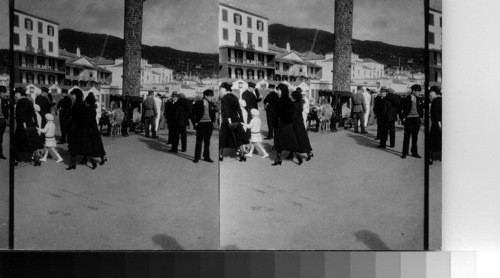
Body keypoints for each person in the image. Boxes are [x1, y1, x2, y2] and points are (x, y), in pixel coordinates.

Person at [218, 82, 249, 162]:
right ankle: (243, 155)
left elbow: (226, 110)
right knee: (239, 138)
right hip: (236, 120)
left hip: (227, 121)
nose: (220, 90)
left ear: (225, 89)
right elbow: (239, 109)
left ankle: (220, 155)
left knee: (223, 138)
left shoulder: (225, 98)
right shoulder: (235, 97)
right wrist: (241, 119)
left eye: (221, 89)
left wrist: (228, 120)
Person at [66, 89, 95, 170]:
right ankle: (77, 163)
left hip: (77, 128)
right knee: (79, 147)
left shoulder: (79, 104)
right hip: (79, 128)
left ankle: (76, 163)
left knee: (75, 146)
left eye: (73, 95)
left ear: (77, 95)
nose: (72, 96)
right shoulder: (79, 103)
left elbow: (82, 117)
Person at [272, 83, 300, 166]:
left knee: (281, 142)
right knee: (286, 142)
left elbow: (280, 113)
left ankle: (297, 158)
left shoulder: (281, 101)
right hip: (287, 124)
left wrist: (279, 118)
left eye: (278, 90)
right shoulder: (288, 100)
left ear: (282, 91)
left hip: (282, 124)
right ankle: (279, 159)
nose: (277, 91)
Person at [191, 89, 217, 163]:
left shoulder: (211, 104)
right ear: (205, 96)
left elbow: (214, 113)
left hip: (209, 124)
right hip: (201, 124)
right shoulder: (198, 103)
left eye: (212, 96)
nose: (211, 97)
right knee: (199, 141)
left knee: (207, 141)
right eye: (210, 96)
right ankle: (197, 157)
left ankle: (206, 157)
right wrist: (195, 123)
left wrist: (213, 122)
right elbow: (192, 114)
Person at [399, 84, 424, 159]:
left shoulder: (419, 99)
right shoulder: (406, 98)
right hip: (408, 119)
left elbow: (421, 109)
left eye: (419, 91)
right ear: (413, 91)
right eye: (418, 91)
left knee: (415, 137)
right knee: (407, 137)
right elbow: (399, 109)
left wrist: (421, 117)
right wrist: (402, 118)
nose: (419, 93)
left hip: (417, 119)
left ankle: (414, 152)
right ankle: (404, 153)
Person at [291, 90, 313, 163]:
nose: (291, 97)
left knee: (296, 138)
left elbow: (293, 115)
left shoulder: (294, 104)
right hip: (300, 123)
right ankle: (308, 152)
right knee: (303, 138)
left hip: (295, 123)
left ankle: (296, 154)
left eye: (292, 96)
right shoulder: (300, 103)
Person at [85, 93, 107, 166]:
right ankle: (102, 157)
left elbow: (87, 119)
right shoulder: (93, 108)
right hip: (94, 128)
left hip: (90, 128)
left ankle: (89, 157)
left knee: (91, 143)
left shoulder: (89, 109)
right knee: (97, 143)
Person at [429, 86, 442, 164]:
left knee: (432, 141)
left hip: (436, 124)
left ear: (436, 93)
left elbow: (435, 113)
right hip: (440, 123)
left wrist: (437, 122)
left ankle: (430, 158)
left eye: (431, 92)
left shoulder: (435, 101)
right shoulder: (442, 99)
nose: (430, 94)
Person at [0, 87, 9, 159]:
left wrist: (6, 119)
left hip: (2, 121)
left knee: (0, 138)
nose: (5, 94)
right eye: (3, 92)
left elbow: (7, 110)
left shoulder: (4, 100)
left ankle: (0, 154)